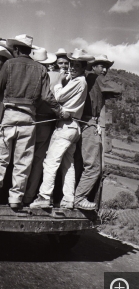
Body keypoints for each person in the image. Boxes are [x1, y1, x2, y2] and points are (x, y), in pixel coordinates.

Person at [0, 34, 60, 209]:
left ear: (17, 49)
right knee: (23, 161)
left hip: (9, 115)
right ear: (30, 51)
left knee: (1, 158)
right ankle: (15, 199)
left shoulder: (9, 64)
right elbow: (46, 96)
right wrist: (59, 111)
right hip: (29, 119)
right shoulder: (41, 69)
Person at [30, 49, 94, 209]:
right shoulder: (78, 81)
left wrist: (58, 81)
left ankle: (44, 196)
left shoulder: (79, 81)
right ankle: (68, 198)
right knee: (68, 164)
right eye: (72, 65)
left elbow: (58, 97)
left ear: (83, 68)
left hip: (65, 127)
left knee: (50, 162)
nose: (72, 68)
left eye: (77, 66)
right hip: (73, 127)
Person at [74, 55, 123, 210]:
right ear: (93, 66)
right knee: (94, 166)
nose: (105, 70)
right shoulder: (97, 78)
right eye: (102, 66)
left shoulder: (85, 78)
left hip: (78, 122)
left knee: (76, 163)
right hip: (89, 123)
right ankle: (79, 198)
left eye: (106, 67)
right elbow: (118, 89)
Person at [23, 47, 58, 205]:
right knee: (38, 161)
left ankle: (16, 194)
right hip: (46, 121)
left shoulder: (28, 74)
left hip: (29, 118)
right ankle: (29, 196)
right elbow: (49, 98)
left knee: (22, 158)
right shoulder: (55, 76)